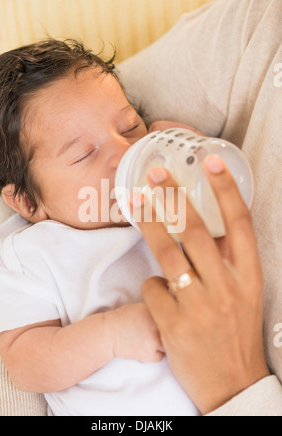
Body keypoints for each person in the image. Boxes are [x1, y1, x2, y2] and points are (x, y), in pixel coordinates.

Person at [0, 39, 203, 416]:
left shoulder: (162, 198)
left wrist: (188, 152)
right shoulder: (30, 254)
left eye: (129, 126)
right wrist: (109, 335)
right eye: (84, 153)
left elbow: (224, 210)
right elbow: (24, 363)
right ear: (29, 203)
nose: (125, 152)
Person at [117, 0, 282, 416]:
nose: (122, 150)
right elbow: (37, 118)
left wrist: (236, 387)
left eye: (130, 128)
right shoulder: (261, 30)